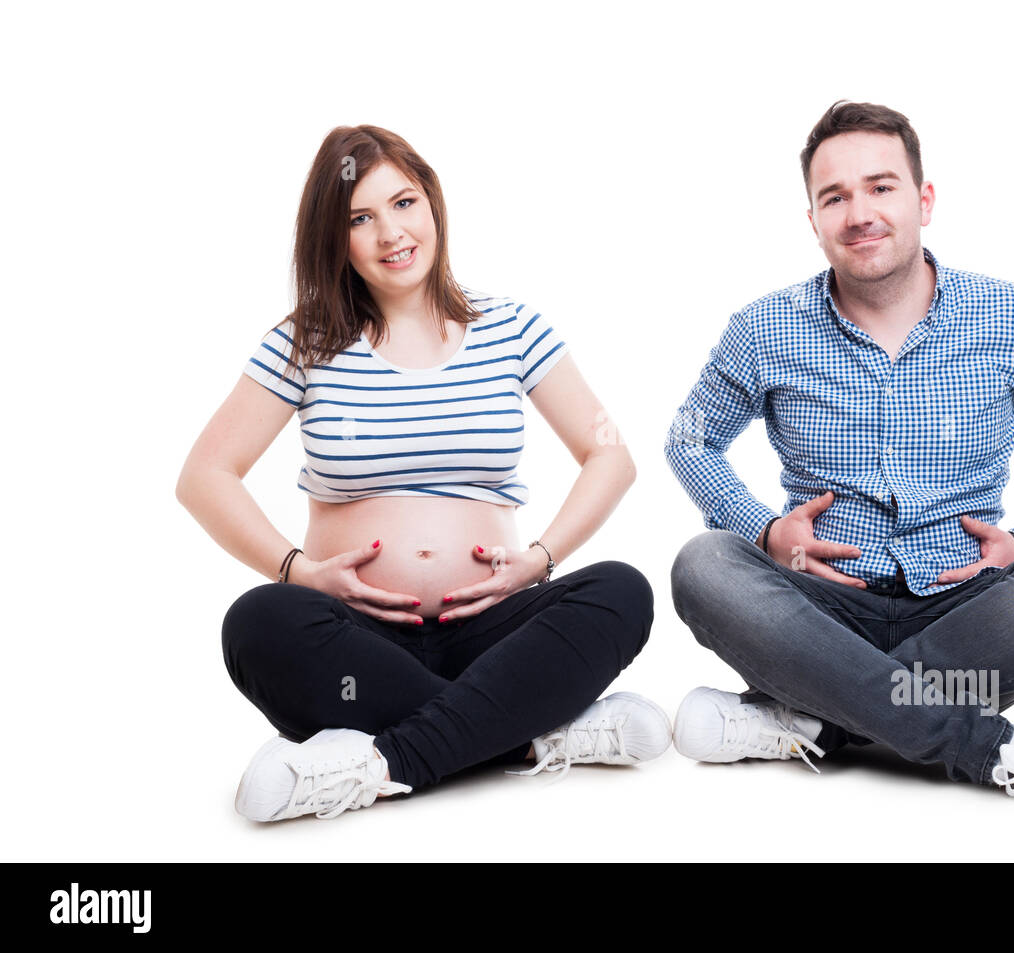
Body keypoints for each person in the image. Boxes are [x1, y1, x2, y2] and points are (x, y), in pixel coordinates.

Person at [663, 101, 1014, 816]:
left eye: (881, 187)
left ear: (923, 200)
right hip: (823, 607)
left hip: (971, 612)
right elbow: (688, 436)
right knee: (704, 564)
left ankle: (817, 716)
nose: (859, 212)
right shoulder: (761, 328)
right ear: (812, 219)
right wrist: (764, 529)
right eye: (834, 197)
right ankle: (995, 751)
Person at [177, 125, 668, 822]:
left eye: (404, 203)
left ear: (433, 204)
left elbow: (611, 454)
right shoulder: (306, 341)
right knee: (256, 623)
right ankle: (528, 730)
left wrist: (539, 559)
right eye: (360, 217)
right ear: (335, 236)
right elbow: (205, 474)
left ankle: (383, 761)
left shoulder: (511, 327)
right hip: (360, 640)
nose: (390, 233)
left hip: (495, 628)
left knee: (622, 591)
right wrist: (299, 570)